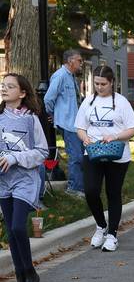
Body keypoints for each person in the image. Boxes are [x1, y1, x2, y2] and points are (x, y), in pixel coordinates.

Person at [75, 65, 134, 253]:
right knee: (91, 191)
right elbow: (80, 127)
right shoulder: (88, 102)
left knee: (113, 193)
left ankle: (112, 234)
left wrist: (115, 136)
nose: (99, 87)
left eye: (103, 84)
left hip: (117, 154)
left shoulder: (121, 102)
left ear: (112, 83)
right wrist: (84, 138)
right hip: (93, 152)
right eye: (96, 83)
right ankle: (101, 226)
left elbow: (133, 129)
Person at [0, 73, 49, 282]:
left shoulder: (31, 120)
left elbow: (42, 152)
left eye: (10, 86)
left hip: (24, 180)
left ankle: (31, 273)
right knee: (11, 231)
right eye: (2, 85)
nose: (4, 89)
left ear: (22, 93)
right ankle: (20, 277)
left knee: (19, 227)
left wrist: (15, 159)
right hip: (3, 182)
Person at [44, 49, 84, 197]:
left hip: (76, 123)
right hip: (68, 123)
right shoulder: (60, 76)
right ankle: (74, 189)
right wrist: (54, 115)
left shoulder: (71, 77)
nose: (81, 64)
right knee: (76, 156)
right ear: (70, 61)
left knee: (80, 155)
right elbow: (48, 99)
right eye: (79, 61)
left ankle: (80, 186)